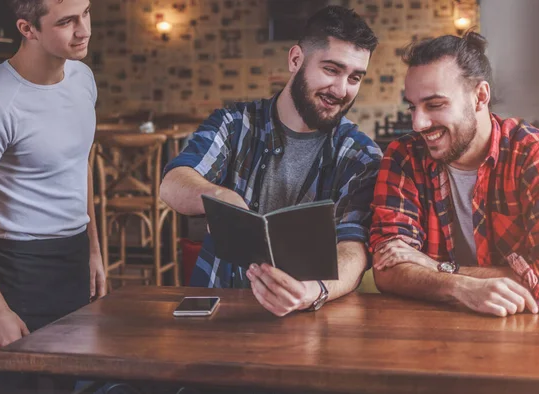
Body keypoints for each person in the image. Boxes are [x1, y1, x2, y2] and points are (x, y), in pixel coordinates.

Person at [161, 5, 382, 317]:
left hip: (310, 315)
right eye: (331, 70)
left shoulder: (362, 155)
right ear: (295, 60)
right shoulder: (234, 123)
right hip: (223, 307)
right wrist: (221, 197)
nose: (342, 89)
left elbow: (354, 246)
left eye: (355, 77)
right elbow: (173, 182)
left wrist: (314, 290)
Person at [0, 0, 105, 390]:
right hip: (19, 270)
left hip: (73, 259)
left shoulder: (83, 79)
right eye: (67, 21)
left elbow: (79, 165)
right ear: (28, 29)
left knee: (74, 384)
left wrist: (92, 249)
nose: (84, 29)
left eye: (86, 13)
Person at [370, 31, 539, 317]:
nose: (418, 123)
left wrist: (437, 269)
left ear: (480, 96)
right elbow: (387, 269)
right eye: (412, 106)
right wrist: (459, 287)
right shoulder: (403, 156)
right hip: (433, 333)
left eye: (434, 105)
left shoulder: (538, 157)